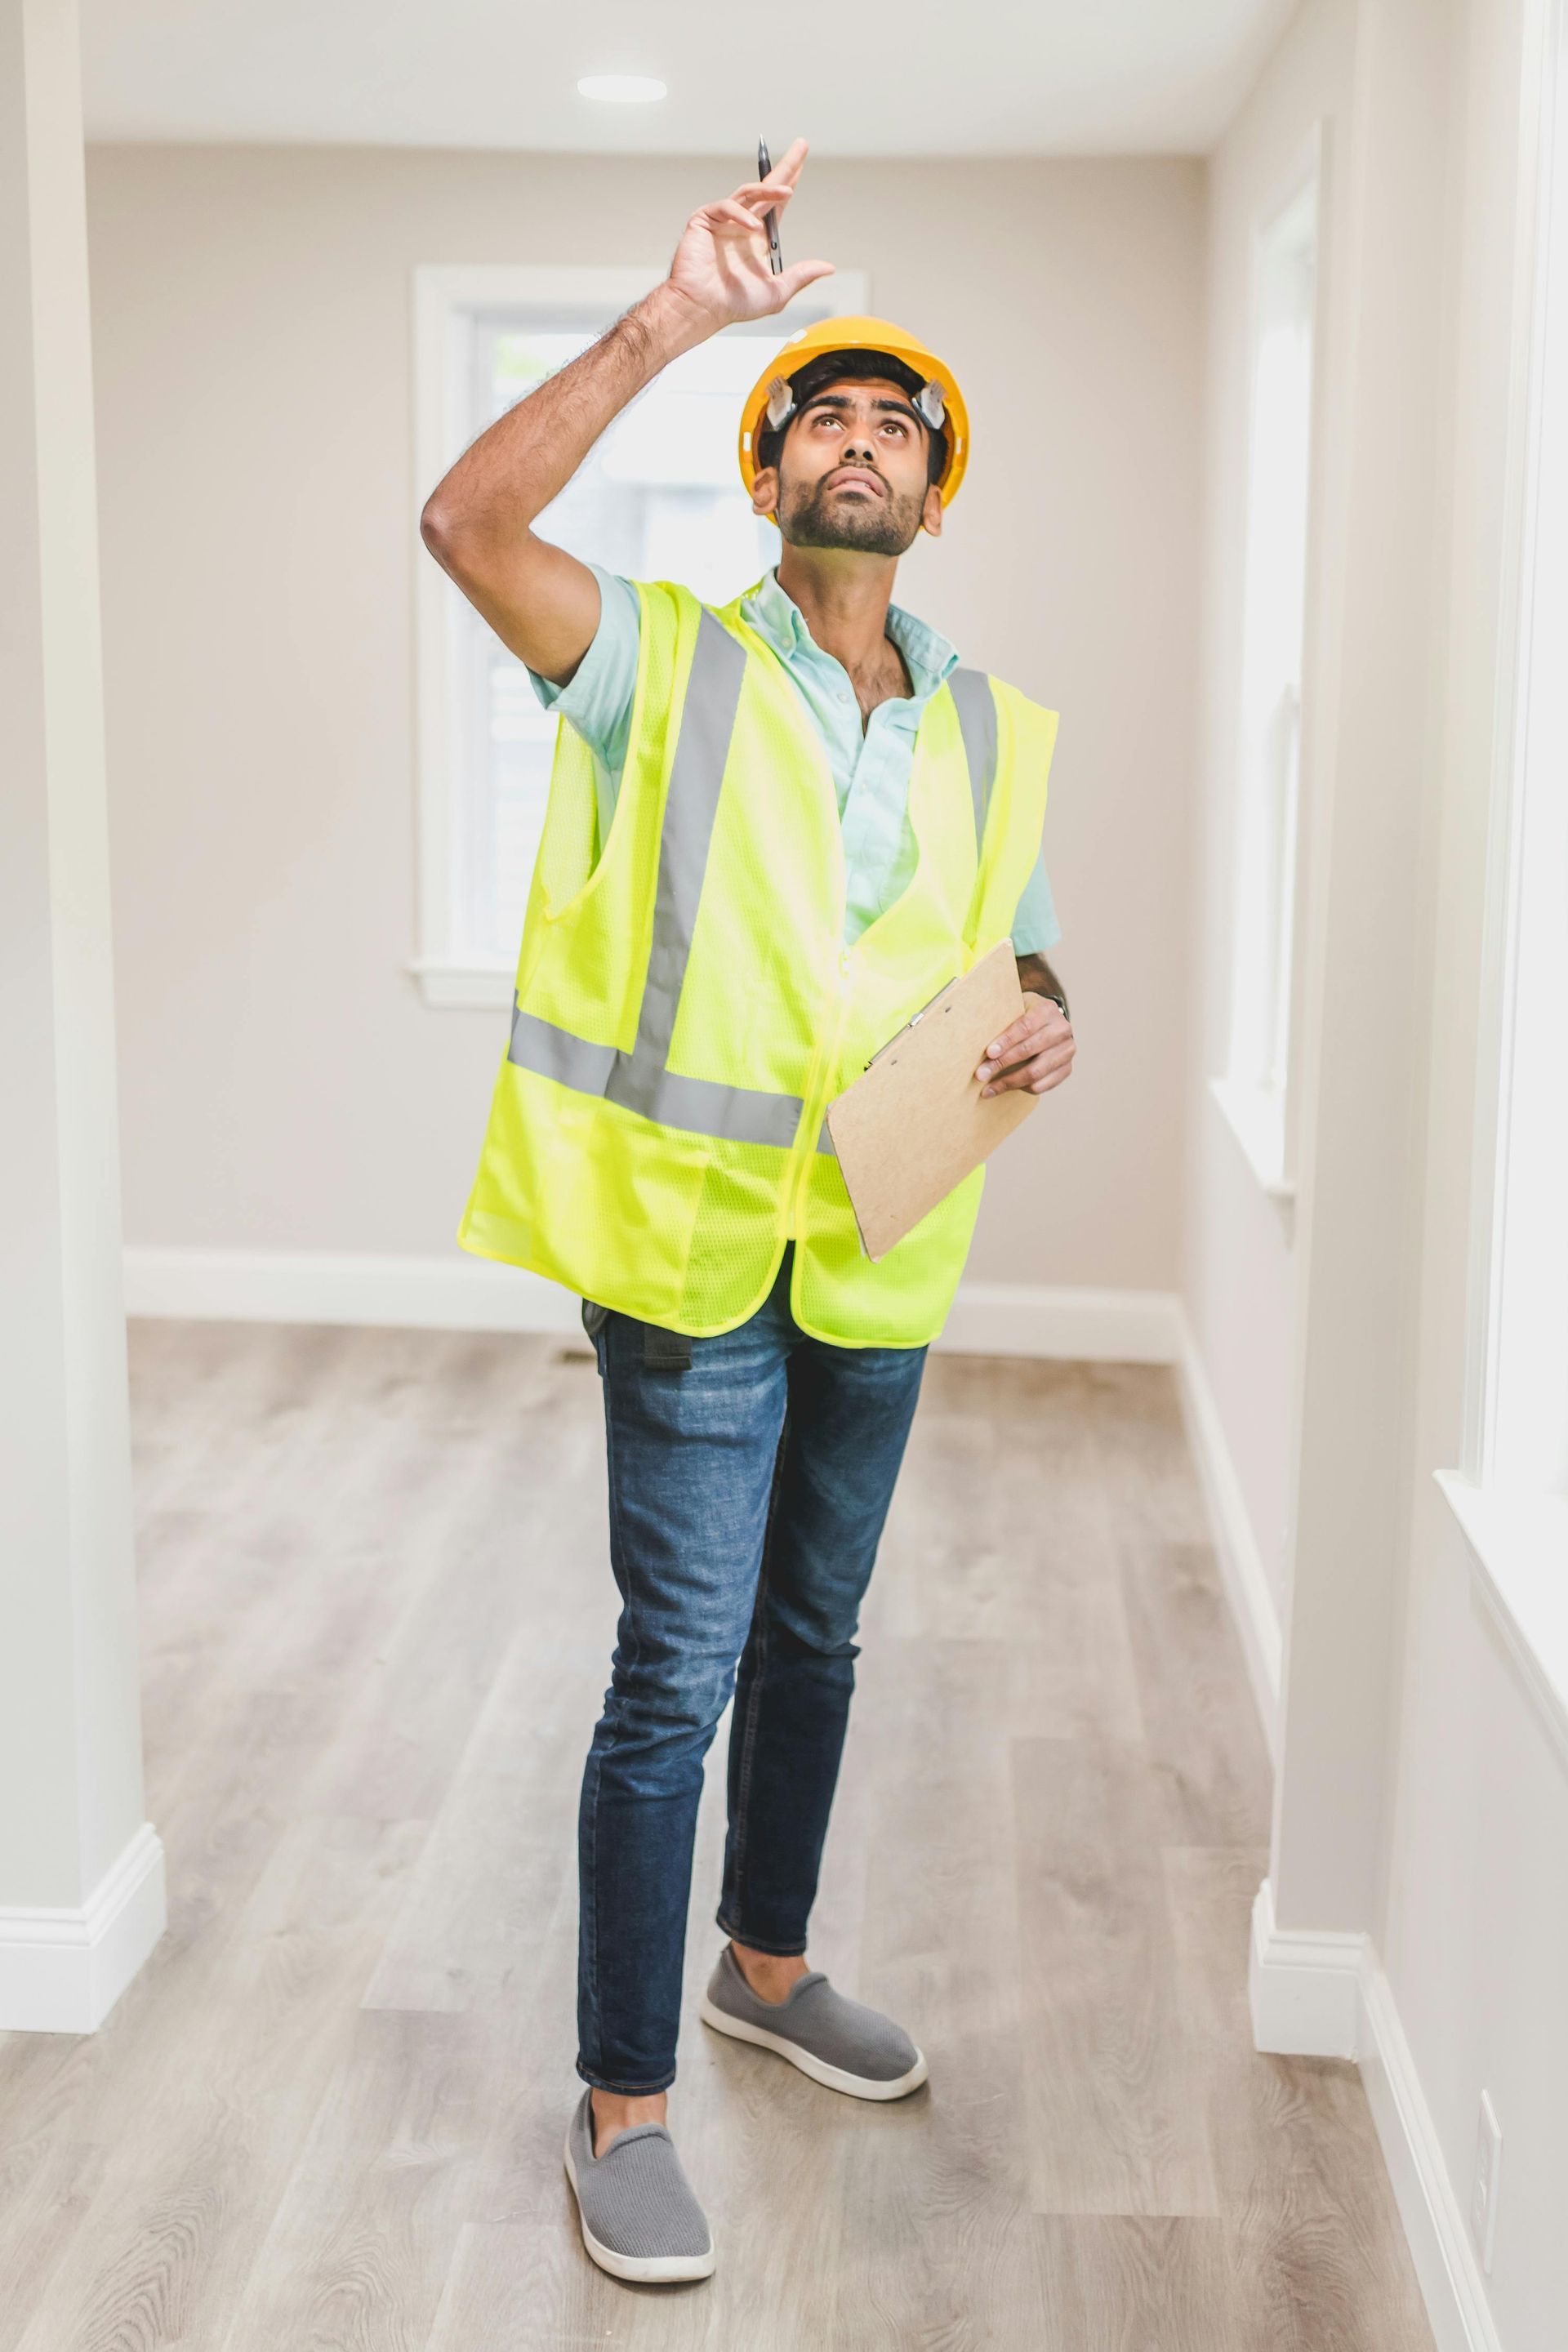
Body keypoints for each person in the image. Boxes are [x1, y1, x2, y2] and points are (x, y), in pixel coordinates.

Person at [419, 139, 1076, 2287]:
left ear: (934, 495)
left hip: (890, 1244)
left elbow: (1024, 954)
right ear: (770, 468)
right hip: (693, 1261)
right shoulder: (656, 665)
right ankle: (620, 2100)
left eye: (900, 423)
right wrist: (680, 315)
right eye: (830, 412)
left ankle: (767, 1967)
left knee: (818, 1641)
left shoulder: (990, 725)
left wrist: (1047, 1024)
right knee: (677, 1671)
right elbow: (466, 525)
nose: (863, 439)